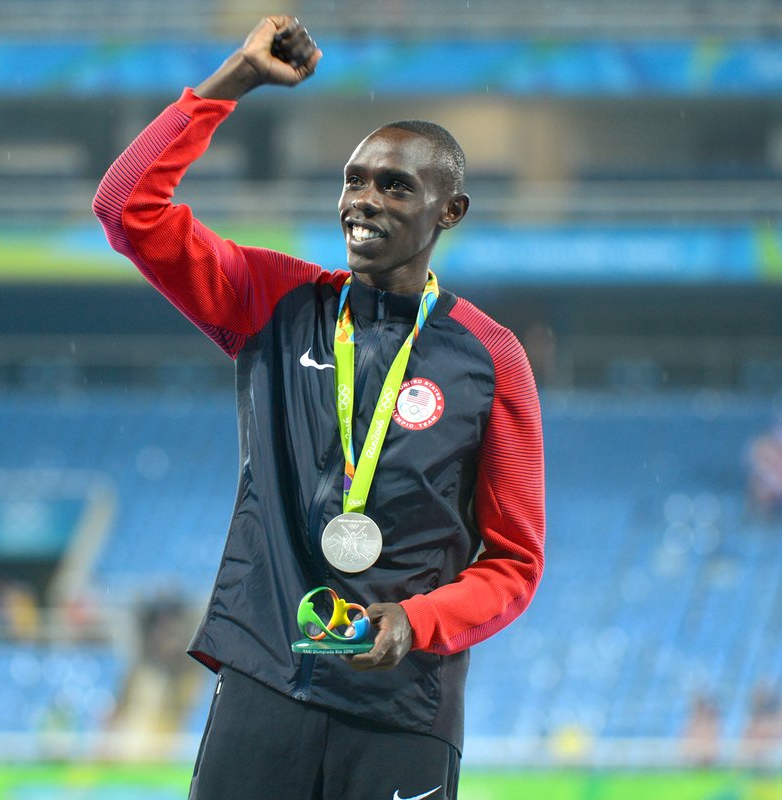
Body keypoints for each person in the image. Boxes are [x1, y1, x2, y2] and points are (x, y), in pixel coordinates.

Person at [93, 17, 545, 800]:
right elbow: (125, 208)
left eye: (395, 185)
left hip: (403, 712)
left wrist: (417, 621)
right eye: (354, 179)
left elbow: (514, 562)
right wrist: (228, 83)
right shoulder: (277, 302)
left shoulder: (489, 357)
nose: (363, 201)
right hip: (265, 687)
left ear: (451, 211)